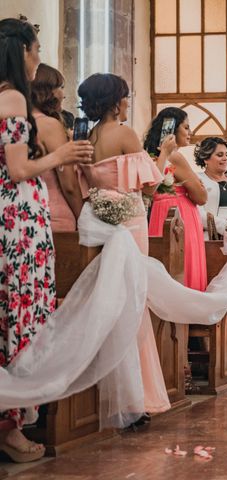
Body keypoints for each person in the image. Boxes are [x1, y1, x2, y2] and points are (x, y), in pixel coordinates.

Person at [0, 17, 94, 462]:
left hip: (9, 217)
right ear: (20, 52)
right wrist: (62, 154)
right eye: (36, 49)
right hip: (18, 221)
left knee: (7, 315)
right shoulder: (13, 95)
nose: (39, 59)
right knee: (25, 315)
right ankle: (12, 427)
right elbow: (18, 169)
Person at [76, 73, 173, 422]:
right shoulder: (124, 134)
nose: (129, 103)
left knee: (113, 301)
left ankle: (116, 393)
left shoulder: (90, 136)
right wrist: (164, 154)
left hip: (104, 222)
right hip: (130, 223)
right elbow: (151, 187)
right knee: (133, 304)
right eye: (126, 97)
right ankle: (137, 399)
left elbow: (86, 185)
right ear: (115, 101)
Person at [145, 107, 207, 291]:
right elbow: (201, 197)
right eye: (186, 128)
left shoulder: (150, 153)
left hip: (158, 212)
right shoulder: (175, 157)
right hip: (180, 214)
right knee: (183, 264)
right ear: (172, 129)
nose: (190, 133)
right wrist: (196, 185)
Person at [31, 63, 83, 231]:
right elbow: (69, 185)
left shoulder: (12, 122)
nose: (63, 94)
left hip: (19, 215)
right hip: (53, 216)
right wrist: (84, 219)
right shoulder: (48, 125)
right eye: (60, 87)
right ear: (46, 91)